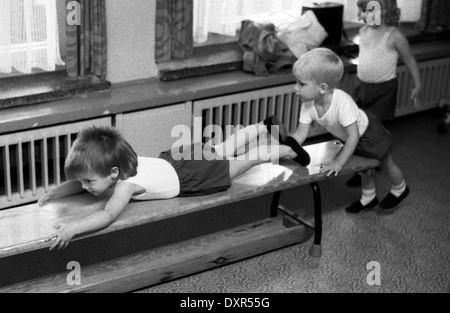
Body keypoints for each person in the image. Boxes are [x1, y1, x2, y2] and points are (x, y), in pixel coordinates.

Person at [38, 120, 310, 251]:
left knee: (241, 163)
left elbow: (107, 215)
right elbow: (80, 183)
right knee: (225, 147)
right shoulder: (117, 165)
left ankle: (285, 150)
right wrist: (56, 192)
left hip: (193, 176)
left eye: (88, 181)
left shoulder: (125, 185)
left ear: (112, 172)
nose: (84, 187)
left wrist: (73, 228)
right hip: (183, 158)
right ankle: (263, 127)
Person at [289, 47, 410, 215]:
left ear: (323, 88)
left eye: (301, 84)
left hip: (368, 133)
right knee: (366, 167)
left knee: (386, 162)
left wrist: (339, 163)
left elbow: (354, 136)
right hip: (350, 136)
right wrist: (286, 146)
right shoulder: (308, 104)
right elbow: (300, 134)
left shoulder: (342, 103)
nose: (295, 88)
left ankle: (400, 188)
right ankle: (369, 198)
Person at [347, 0, 422, 187]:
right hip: (361, 88)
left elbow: (410, 60)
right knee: (357, 129)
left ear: (386, 10)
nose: (364, 14)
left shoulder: (394, 35)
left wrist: (418, 85)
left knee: (371, 132)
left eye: (369, 10)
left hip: (383, 91)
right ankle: (363, 169)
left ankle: (370, 169)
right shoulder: (363, 31)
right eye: (362, 10)